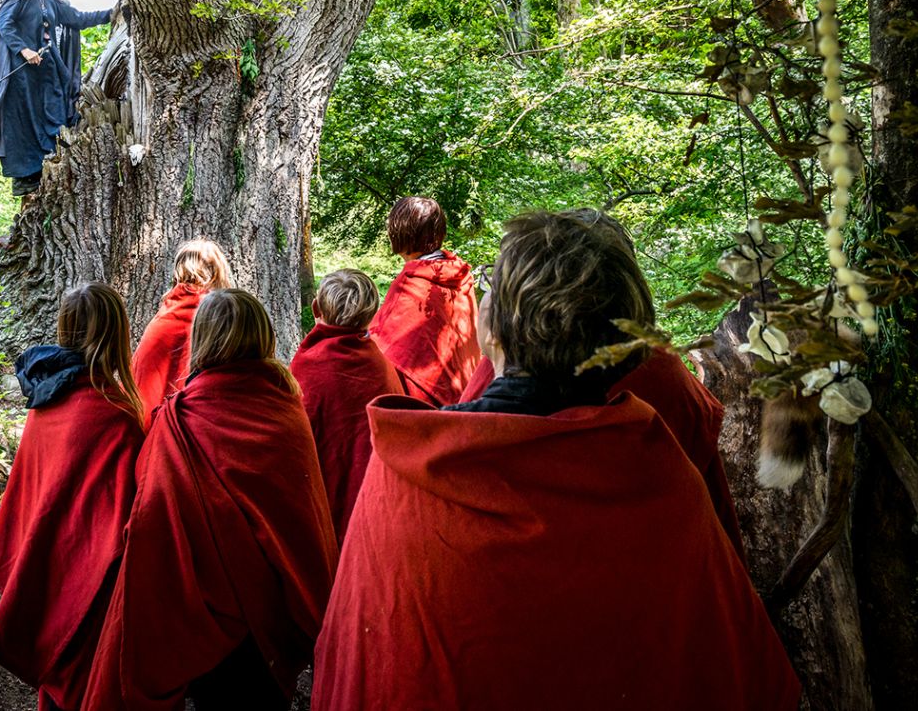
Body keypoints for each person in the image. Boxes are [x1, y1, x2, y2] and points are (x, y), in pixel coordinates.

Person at [313, 211, 800, 710]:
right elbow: (730, 667)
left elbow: (368, 663)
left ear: (494, 325)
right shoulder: (667, 481)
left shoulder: (411, 467)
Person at [85, 289, 337, 711]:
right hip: (271, 621)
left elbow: (150, 521)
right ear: (264, 337)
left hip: (201, 618)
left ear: (203, 339)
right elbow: (304, 526)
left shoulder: (178, 418)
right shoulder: (286, 409)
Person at [456, 208, 747, 559]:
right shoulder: (659, 362)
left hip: (536, 549)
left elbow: (467, 438)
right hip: (654, 556)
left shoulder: (519, 354)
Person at [0, 282, 146, 711]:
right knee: (81, 676)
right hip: (86, 578)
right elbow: (123, 518)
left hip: (50, 562)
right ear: (118, 334)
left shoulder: (47, 398)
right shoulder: (115, 417)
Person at [0, 0, 114, 196]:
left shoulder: (51, 0)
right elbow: (5, 25)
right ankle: (26, 178)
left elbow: (78, 18)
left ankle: (49, 166)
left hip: (48, 71)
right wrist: (24, 50)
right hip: (23, 74)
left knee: (59, 110)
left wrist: (111, 14)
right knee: (24, 122)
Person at [289, 268, 403, 543]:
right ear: (372, 313)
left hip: (324, 498)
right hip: (377, 500)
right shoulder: (380, 365)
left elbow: (294, 436)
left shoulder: (307, 365)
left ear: (316, 308)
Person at [367, 195, 481, 405]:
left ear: (402, 233)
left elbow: (380, 347)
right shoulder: (459, 275)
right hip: (466, 395)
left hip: (426, 405)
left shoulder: (412, 282)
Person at [130, 238, 234, 416]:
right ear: (217, 275)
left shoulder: (166, 313)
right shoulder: (214, 318)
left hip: (144, 422)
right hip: (182, 424)